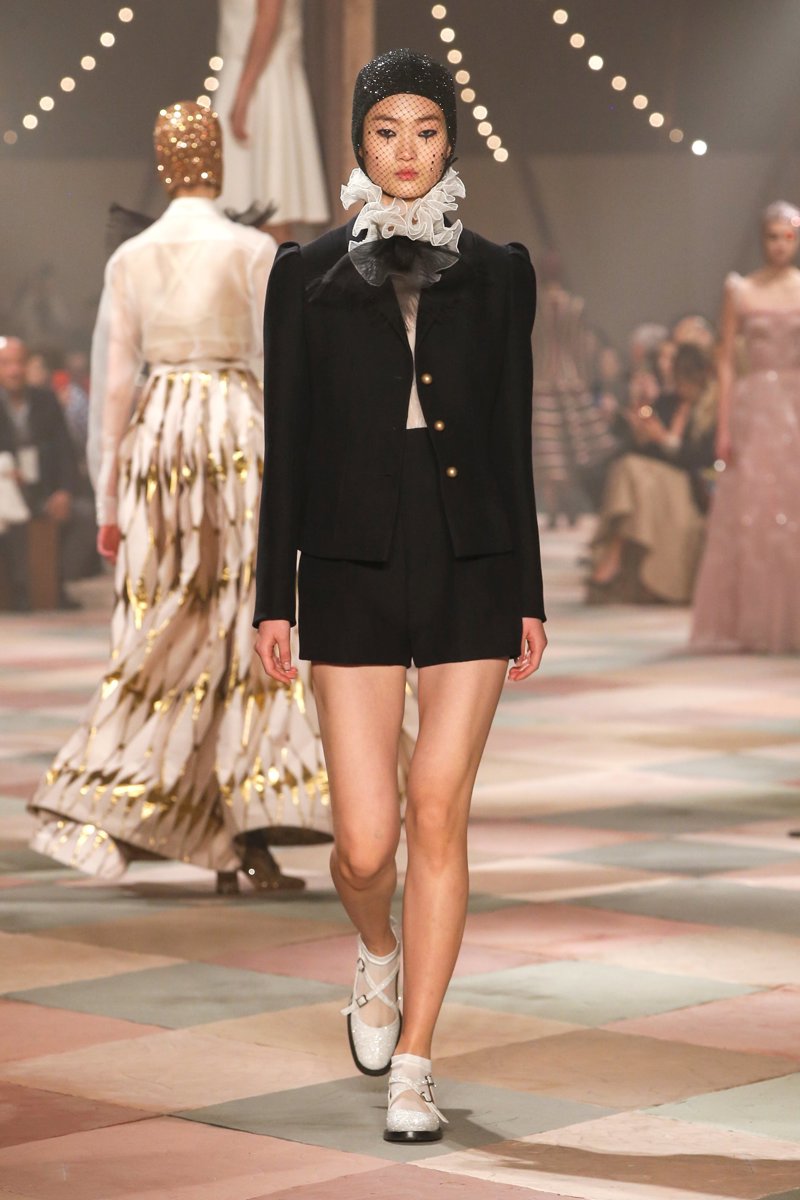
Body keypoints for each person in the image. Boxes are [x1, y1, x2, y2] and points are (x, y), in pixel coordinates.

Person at [253, 49, 547, 1144]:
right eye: (387, 131)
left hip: (470, 557)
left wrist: (526, 590)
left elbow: (511, 438)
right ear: (360, 144)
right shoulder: (304, 273)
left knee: (437, 809)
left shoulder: (501, 272)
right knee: (366, 845)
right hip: (349, 560)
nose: (408, 150)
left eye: (426, 129)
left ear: (450, 140)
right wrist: (272, 599)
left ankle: (414, 1061)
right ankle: (374, 951)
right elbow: (288, 446)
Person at [28, 102, 333, 891]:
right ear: (217, 163)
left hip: (162, 438)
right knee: (244, 619)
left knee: (167, 622)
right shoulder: (253, 250)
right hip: (239, 431)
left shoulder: (132, 257)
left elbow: (114, 386)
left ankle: (160, 807)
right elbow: (283, 366)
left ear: (165, 165)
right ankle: (240, 826)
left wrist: (106, 502)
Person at [692, 200, 800, 653]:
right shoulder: (741, 290)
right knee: (754, 513)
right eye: (773, 236)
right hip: (755, 408)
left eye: (788, 236)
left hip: (795, 404)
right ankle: (755, 622)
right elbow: (725, 362)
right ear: (762, 239)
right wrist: (724, 424)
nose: (780, 245)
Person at [588, 343, 716, 603]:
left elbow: (701, 459)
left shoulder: (711, 411)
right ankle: (614, 557)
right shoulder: (666, 403)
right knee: (630, 469)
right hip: (653, 484)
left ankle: (611, 561)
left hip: (687, 487)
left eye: (686, 379)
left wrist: (664, 440)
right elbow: (640, 453)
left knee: (631, 472)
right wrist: (641, 434)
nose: (681, 386)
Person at [215, 0, 329, 242]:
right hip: (248, 72)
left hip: (263, 80)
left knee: (270, 210)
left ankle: (277, 266)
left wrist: (243, 95)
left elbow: (269, 17)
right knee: (246, 213)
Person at [531, 252, 616, 524]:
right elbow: (580, 348)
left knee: (550, 449)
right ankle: (566, 507)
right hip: (570, 381)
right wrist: (586, 380)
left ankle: (556, 509)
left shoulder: (534, 304)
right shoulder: (574, 305)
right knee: (570, 445)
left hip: (542, 380)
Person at [0, 336, 79, 610]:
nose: (14, 370)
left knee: (80, 516)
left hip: (42, 488)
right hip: (6, 489)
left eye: (19, 363)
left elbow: (65, 450)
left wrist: (64, 491)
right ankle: (17, 591)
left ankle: (53, 587)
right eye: (6, 363)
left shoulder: (46, 400)